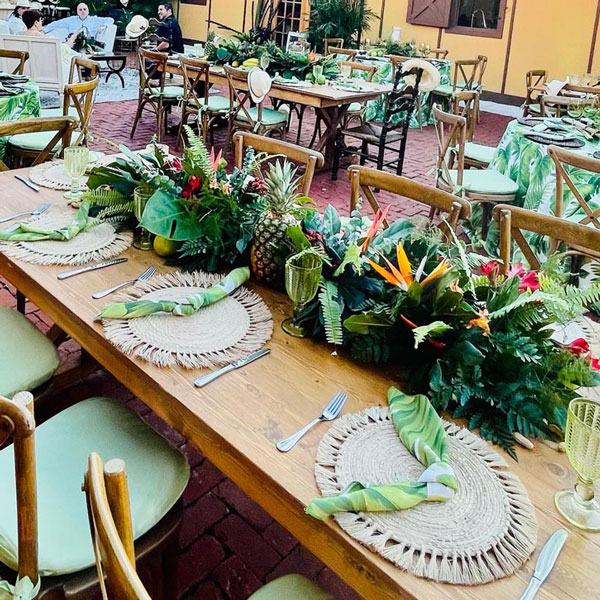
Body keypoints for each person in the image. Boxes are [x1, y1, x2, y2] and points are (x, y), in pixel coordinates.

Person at [43, 2, 113, 38]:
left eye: (84, 9)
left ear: (88, 11)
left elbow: (111, 20)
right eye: (80, 9)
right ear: (77, 12)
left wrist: (104, 26)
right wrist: (44, 30)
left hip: (89, 45)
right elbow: (57, 23)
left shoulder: (94, 20)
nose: (83, 11)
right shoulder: (71, 20)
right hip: (73, 43)